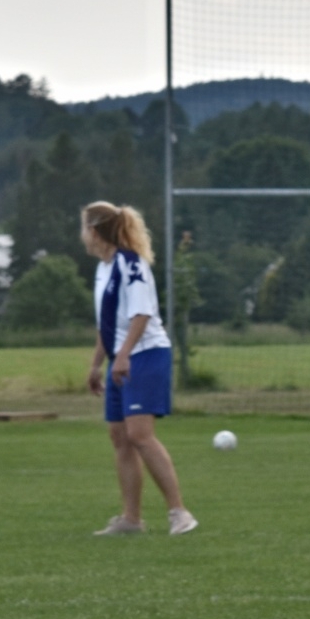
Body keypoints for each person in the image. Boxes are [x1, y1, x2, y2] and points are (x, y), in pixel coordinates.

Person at [82, 201, 197, 537]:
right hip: (122, 357)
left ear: (94, 231)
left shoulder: (131, 265)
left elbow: (141, 314)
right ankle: (131, 520)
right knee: (119, 436)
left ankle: (180, 513)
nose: (81, 235)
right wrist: (96, 364)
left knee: (139, 435)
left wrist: (123, 356)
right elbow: (107, 324)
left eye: (83, 228)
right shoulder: (103, 269)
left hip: (145, 354)